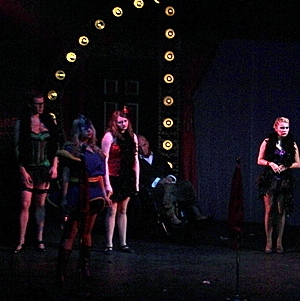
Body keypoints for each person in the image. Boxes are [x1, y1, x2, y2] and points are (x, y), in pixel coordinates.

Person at [55, 115, 111, 288]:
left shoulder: (97, 151)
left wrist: (105, 195)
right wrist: (64, 196)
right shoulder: (71, 149)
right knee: (71, 231)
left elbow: (100, 176)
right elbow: (65, 175)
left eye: (90, 127)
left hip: (94, 194)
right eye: (84, 128)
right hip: (77, 191)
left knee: (87, 231)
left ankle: (84, 268)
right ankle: (61, 271)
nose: (89, 131)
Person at [13, 91, 60, 253]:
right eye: (37, 104)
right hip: (28, 166)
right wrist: (22, 170)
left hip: (44, 167)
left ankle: (39, 238)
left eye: (42, 104)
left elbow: (55, 146)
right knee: (25, 203)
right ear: (30, 105)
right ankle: (21, 240)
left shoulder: (48, 122)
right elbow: (17, 148)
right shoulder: (22, 123)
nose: (40, 107)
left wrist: (55, 166)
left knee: (41, 204)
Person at [138, 135, 208, 225]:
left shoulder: (158, 156)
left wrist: (170, 178)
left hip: (167, 183)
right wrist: (160, 181)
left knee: (186, 185)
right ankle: (172, 216)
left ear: (148, 143)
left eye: (144, 145)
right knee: (168, 188)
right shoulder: (136, 161)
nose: (142, 149)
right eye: (139, 147)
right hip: (152, 187)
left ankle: (196, 213)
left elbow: (169, 170)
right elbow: (141, 177)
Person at [256, 117, 300, 254]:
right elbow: (260, 160)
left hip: (284, 180)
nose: (284, 130)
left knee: (281, 210)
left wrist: (286, 166)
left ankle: (279, 241)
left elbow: (297, 163)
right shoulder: (267, 142)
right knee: (269, 210)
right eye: (282, 127)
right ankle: (269, 240)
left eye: (287, 128)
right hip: (270, 179)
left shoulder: (292, 144)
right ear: (275, 128)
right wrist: (271, 163)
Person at [101, 107, 139, 254]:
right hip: (112, 176)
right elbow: (104, 161)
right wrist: (107, 183)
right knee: (112, 210)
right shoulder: (109, 136)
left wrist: (136, 182)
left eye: (125, 121)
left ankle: (123, 243)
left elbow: (135, 160)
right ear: (114, 123)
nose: (123, 124)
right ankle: (109, 243)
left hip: (126, 177)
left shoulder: (132, 137)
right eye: (120, 122)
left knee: (123, 210)